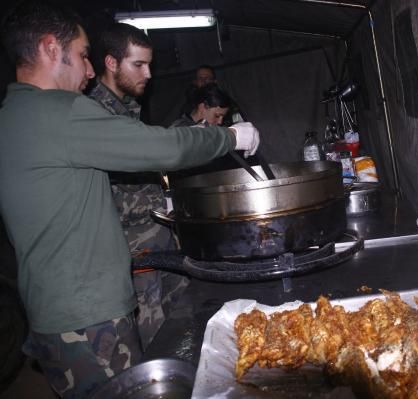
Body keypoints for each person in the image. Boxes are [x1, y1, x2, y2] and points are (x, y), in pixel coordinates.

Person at [0, 2, 259, 398]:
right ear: (52, 48)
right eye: (83, 56)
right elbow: (162, 148)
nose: (89, 72)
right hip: (89, 317)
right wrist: (228, 137)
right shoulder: (60, 112)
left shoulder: (13, 115)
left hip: (54, 311)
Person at [87, 22, 182, 351]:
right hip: (131, 249)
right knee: (152, 337)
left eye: (150, 64)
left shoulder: (126, 110)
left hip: (157, 240)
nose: (149, 74)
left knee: (178, 324)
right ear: (112, 63)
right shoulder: (94, 115)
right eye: (138, 65)